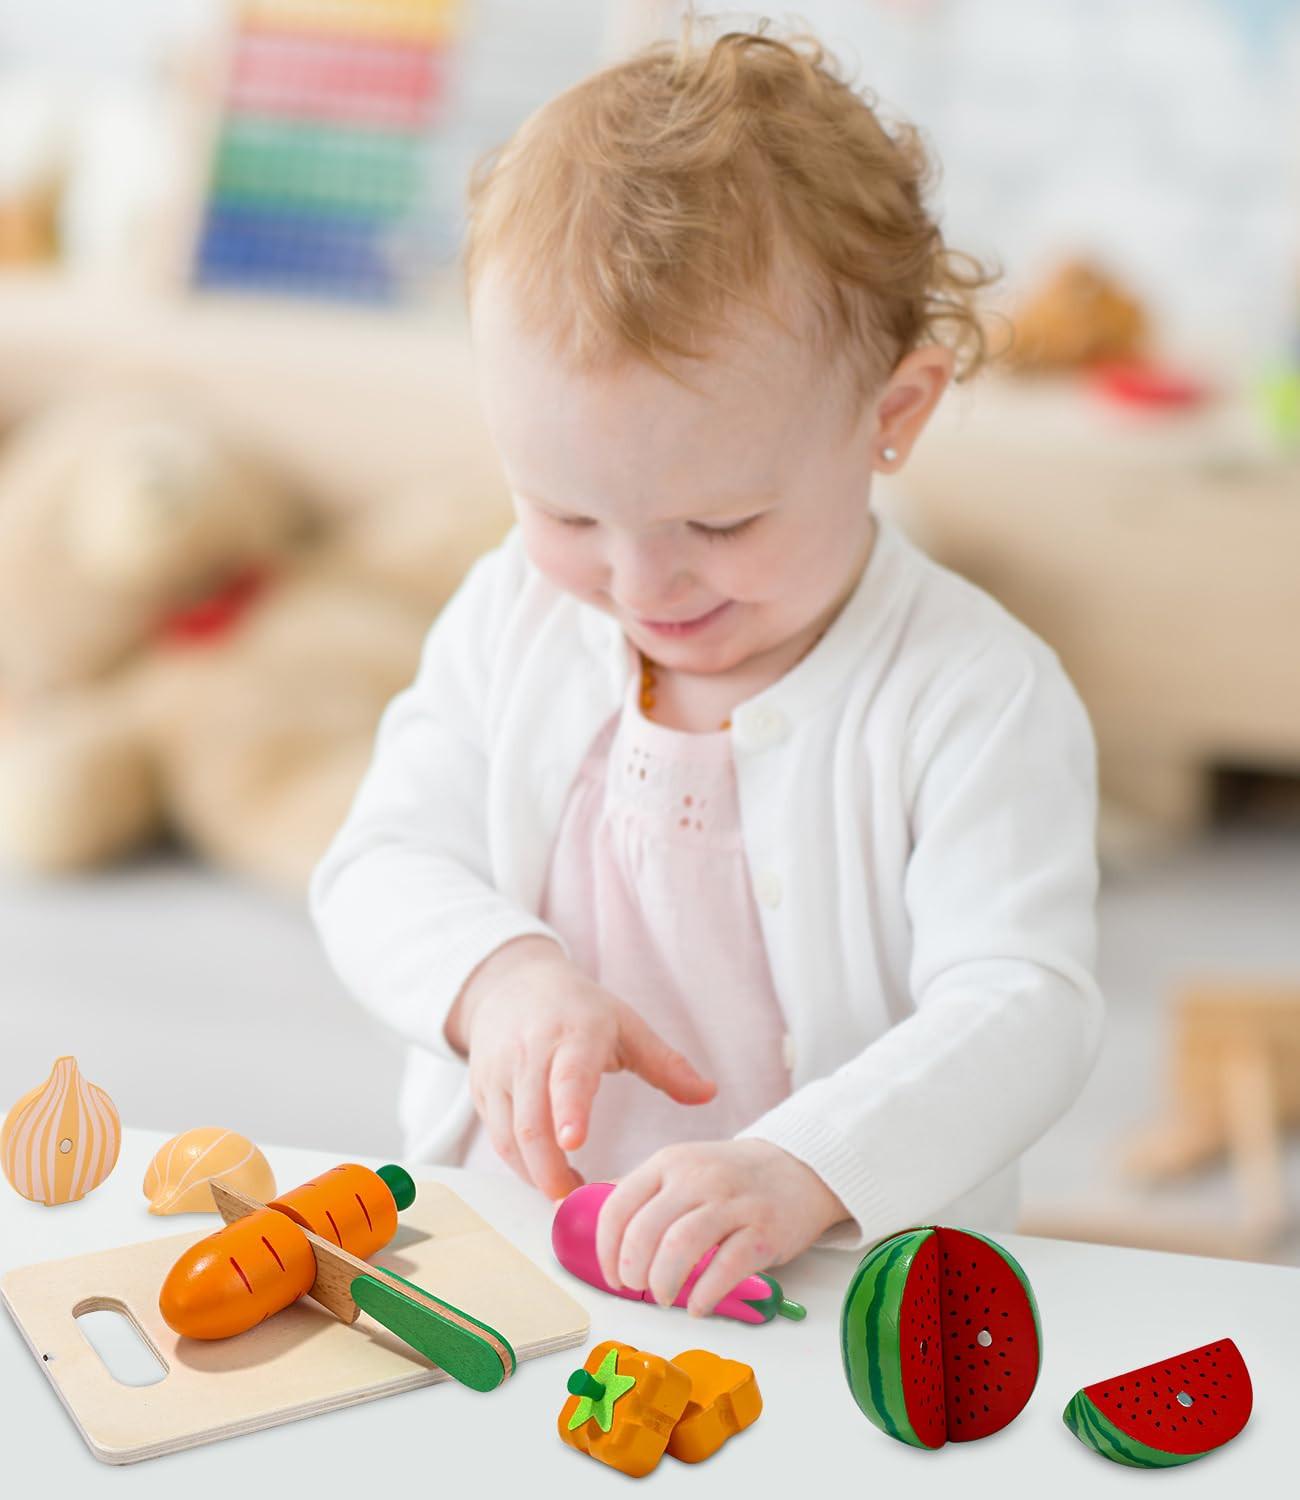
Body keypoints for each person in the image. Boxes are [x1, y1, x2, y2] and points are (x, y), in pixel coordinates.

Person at [311, 27, 1102, 1317]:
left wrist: (802, 1166)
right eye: (565, 512)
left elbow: (1027, 1005)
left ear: (890, 417)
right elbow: (378, 865)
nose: (641, 587)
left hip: (843, 1286)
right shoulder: (509, 613)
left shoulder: (975, 694)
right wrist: (498, 974)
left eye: (720, 524)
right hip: (505, 1255)